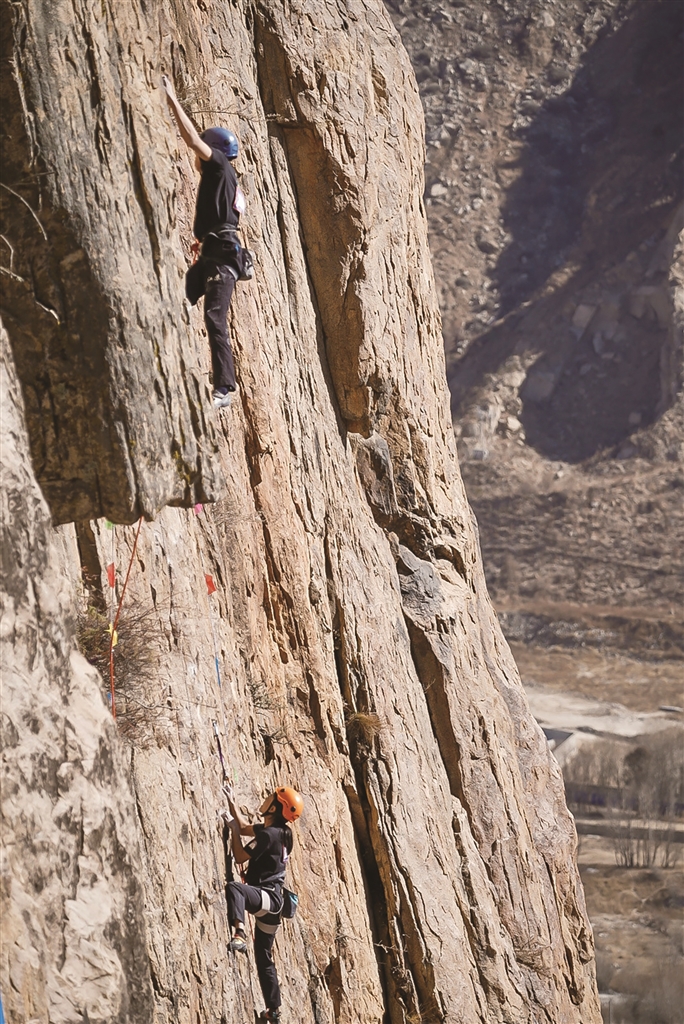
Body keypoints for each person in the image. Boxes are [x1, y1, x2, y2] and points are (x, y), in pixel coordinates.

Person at [162, 75, 245, 410]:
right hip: (213, 254)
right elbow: (226, 218)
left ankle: (224, 390)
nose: (198, 157)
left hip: (222, 259)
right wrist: (206, 238)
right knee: (175, 297)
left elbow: (193, 140)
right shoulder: (226, 179)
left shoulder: (220, 165)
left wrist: (172, 99)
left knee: (214, 317)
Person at [222, 786, 304, 1024]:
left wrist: (233, 831)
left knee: (236, 889)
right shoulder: (281, 833)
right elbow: (246, 827)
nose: (266, 798)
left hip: (267, 898)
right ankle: (273, 1010)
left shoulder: (269, 835)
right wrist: (232, 802)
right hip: (274, 905)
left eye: (272, 798)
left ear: (275, 808)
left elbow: (239, 855)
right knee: (263, 957)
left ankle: (239, 933)